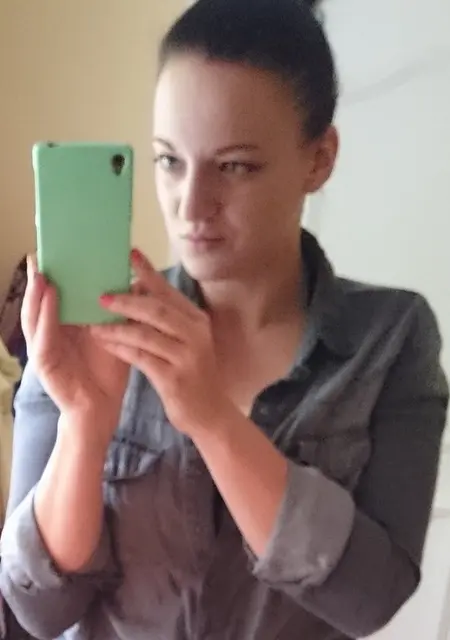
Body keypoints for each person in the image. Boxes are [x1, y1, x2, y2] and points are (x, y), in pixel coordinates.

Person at [0, 0, 448, 638]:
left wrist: (212, 420)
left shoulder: (391, 339)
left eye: (234, 166)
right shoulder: (88, 335)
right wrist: (85, 425)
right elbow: (34, 611)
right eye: (169, 160)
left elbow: (370, 599)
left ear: (319, 158)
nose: (191, 205)